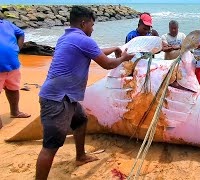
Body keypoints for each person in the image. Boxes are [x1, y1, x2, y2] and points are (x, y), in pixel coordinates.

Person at [35, 6, 134, 179]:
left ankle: (80, 156)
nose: (93, 28)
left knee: (81, 120)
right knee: (51, 146)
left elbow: (93, 53)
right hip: (58, 100)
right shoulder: (84, 40)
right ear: (83, 23)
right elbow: (107, 64)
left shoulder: (66, 37)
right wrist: (123, 58)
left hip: (67, 97)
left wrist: (114, 49)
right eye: (92, 24)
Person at [0, 18, 31, 129]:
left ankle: (15, 112)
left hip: (13, 66)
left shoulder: (7, 24)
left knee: (13, 89)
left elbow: (21, 33)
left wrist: (17, 49)